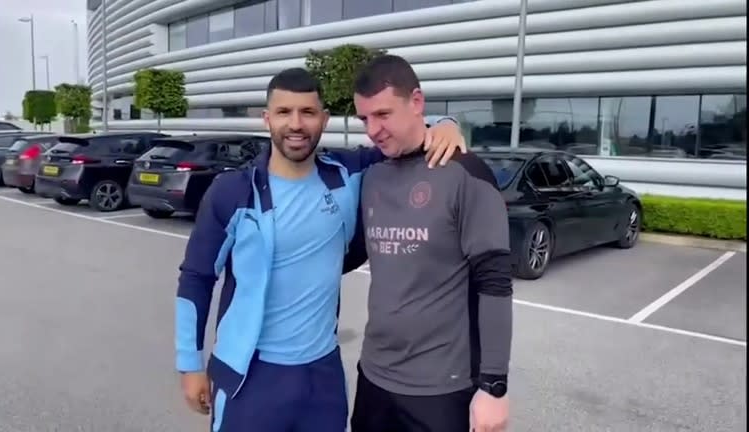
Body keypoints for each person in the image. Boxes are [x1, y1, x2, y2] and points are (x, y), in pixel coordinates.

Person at [174, 67, 467, 432]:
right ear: (267, 119)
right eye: (284, 112)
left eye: (307, 112)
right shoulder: (233, 192)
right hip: (250, 378)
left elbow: (403, 131)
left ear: (324, 120)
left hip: (322, 377)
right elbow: (197, 277)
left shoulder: (346, 173)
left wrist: (446, 123)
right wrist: (189, 363)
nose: (296, 124)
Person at [348, 54, 513, 432]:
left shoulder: (466, 174)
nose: (373, 130)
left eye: (383, 115)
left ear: (417, 102)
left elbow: (495, 283)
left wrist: (494, 386)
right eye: (364, 119)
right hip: (374, 377)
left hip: (441, 389)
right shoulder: (371, 174)